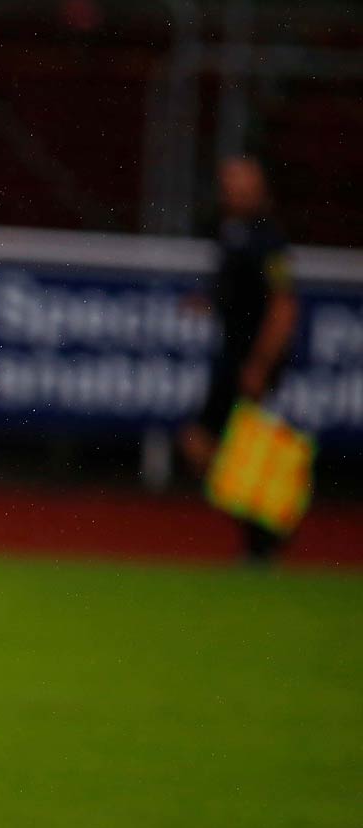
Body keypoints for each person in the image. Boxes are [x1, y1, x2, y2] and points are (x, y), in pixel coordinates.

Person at [178, 156, 301, 562]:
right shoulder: (230, 232)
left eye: (242, 184)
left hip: (250, 361)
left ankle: (265, 535)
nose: (234, 191)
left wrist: (261, 364)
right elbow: (237, 293)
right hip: (231, 355)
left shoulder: (270, 240)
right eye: (230, 184)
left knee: (235, 447)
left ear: (259, 189)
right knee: (211, 446)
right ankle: (261, 535)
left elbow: (283, 307)